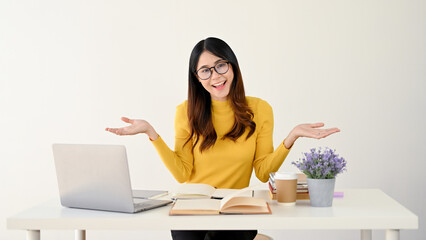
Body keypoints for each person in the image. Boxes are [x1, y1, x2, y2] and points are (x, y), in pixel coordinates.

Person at [106, 37, 340, 240]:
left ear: (233, 67)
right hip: (193, 207)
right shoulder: (185, 112)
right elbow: (182, 173)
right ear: (197, 77)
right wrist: (151, 134)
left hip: (236, 207)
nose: (215, 76)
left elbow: (261, 171)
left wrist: (291, 138)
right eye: (205, 70)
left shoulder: (259, 109)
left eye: (220, 66)